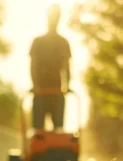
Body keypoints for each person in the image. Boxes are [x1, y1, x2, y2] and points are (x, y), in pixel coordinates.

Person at [29, 4, 72, 133]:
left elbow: (66, 67)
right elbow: (33, 65)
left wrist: (67, 86)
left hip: (57, 91)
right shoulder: (38, 42)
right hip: (40, 91)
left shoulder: (63, 42)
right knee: (38, 131)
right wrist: (35, 85)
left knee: (58, 131)